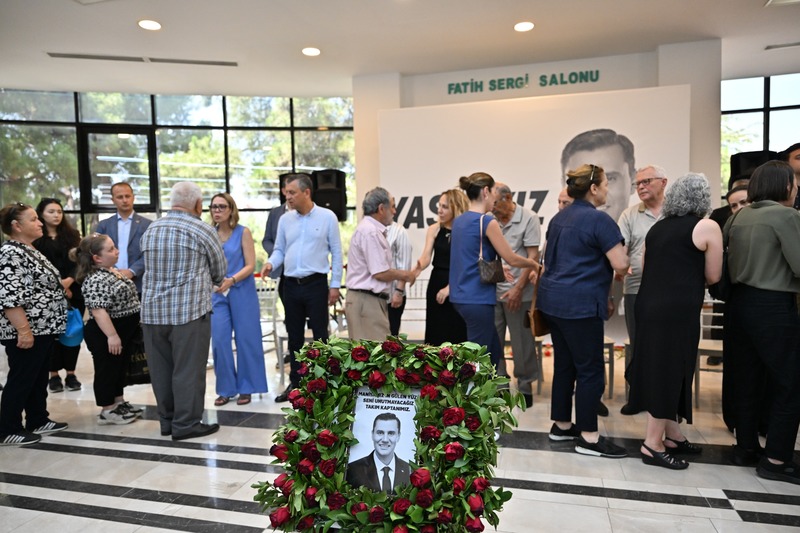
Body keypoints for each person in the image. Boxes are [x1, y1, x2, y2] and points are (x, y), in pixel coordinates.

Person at [625, 174, 722, 469]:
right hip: (677, 311)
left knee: (661, 367)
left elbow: (647, 266)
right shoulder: (706, 226)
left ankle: (673, 435)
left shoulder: (657, 227)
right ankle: (652, 444)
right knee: (670, 371)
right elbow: (713, 276)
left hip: (648, 306)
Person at [537, 164, 630, 458]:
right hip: (580, 305)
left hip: (553, 303)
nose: (607, 190)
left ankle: (562, 426)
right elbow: (620, 264)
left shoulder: (559, 218)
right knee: (590, 370)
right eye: (605, 184)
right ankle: (589, 437)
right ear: (593, 188)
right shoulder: (600, 220)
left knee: (565, 365)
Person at [724, 161, 800, 484]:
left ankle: (745, 448)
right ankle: (776, 459)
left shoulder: (738, 216)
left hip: (739, 305)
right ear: (785, 186)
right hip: (773, 307)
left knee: (747, 379)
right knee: (790, 383)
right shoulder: (786, 216)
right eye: (794, 183)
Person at [140, 182, 227, 441]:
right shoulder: (203, 229)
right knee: (188, 370)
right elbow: (219, 272)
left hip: (152, 314)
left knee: (161, 371)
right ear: (198, 205)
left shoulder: (152, 228)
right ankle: (186, 424)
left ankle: (167, 422)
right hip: (188, 313)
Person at [260, 173, 343, 402]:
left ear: (307, 192)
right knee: (294, 338)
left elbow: (337, 253)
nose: (287, 197)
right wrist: (270, 263)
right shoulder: (285, 220)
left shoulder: (327, 217)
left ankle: (323, 384)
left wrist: (335, 285)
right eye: (286, 193)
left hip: (316, 284)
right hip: (290, 285)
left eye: (292, 192)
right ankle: (296, 384)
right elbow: (279, 250)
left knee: (320, 336)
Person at [449, 172, 537, 369]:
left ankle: (494, 386)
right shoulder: (487, 222)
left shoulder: (459, 221)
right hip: (478, 298)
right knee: (479, 359)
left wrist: (497, 269)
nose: (495, 201)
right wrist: (533, 264)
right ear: (486, 191)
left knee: (493, 350)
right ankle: (474, 389)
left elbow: (468, 259)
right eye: (494, 193)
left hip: (461, 296)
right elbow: (511, 258)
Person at [0, 203, 69, 446]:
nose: (40, 223)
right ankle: (7, 428)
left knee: (37, 378)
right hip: (27, 330)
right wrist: (24, 331)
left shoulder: (29, 249)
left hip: (44, 328)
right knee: (22, 378)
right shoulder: (10, 253)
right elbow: (9, 297)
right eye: (33, 219)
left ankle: (37, 418)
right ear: (16, 226)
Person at [73, 234, 144, 425]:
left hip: (122, 330)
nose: (117, 251)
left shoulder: (110, 271)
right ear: (97, 258)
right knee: (107, 370)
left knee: (119, 368)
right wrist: (112, 336)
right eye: (111, 249)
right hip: (106, 332)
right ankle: (107, 409)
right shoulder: (96, 278)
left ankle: (118, 403)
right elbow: (98, 311)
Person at [616, 165, 668, 414]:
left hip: (669, 291)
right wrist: (621, 265)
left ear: (663, 182)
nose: (641, 187)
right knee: (638, 344)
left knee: (665, 346)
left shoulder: (676, 212)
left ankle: (664, 399)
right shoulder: (629, 214)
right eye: (638, 183)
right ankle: (636, 397)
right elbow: (621, 249)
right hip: (636, 289)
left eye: (647, 181)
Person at [209, 193, 267, 407]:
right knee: (220, 340)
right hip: (217, 294)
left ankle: (247, 387)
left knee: (246, 339)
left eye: (222, 207)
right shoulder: (209, 234)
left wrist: (231, 280)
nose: (217, 210)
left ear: (231, 209)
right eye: (214, 207)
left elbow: (251, 265)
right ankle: (226, 389)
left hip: (242, 291)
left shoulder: (243, 232)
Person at [492, 182, 540, 409]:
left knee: (522, 343)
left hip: (521, 292)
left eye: (496, 204)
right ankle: (500, 383)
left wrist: (518, 289)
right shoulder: (490, 219)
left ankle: (525, 385)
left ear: (508, 198)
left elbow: (533, 258)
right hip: (493, 291)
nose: (492, 208)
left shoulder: (528, 218)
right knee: (495, 341)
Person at [345, 188, 416, 341]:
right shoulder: (370, 232)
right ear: (381, 209)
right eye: (392, 207)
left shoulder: (369, 229)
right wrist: (406, 275)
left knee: (372, 351)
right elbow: (380, 272)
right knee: (375, 351)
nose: (395, 211)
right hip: (366, 301)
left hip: (368, 300)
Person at [33, 198, 84, 393]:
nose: (56, 215)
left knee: (73, 332)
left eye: (59, 211)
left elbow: (80, 262)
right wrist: (58, 287)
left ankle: (71, 374)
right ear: (41, 214)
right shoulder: (36, 238)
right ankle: (53, 375)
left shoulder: (73, 235)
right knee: (52, 336)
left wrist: (69, 281)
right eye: (51, 211)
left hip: (74, 290)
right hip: (47, 294)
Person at [412, 189, 469, 346]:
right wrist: (417, 269)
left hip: (458, 282)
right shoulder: (434, 229)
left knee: (458, 332)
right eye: (439, 206)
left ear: (456, 208)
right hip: (437, 281)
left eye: (445, 207)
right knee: (436, 332)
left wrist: (450, 287)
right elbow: (426, 257)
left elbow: (467, 264)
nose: (439, 210)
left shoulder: (465, 231)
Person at [561, 129, 636, 223]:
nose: (594, 192)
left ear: (633, 181)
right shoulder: (555, 229)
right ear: (564, 186)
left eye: (609, 179)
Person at [94, 182, 152, 295]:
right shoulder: (104, 225)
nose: (125, 200)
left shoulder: (148, 225)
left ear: (133, 197)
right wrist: (113, 271)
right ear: (113, 200)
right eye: (120, 197)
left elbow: (150, 253)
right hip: (109, 283)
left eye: (127, 196)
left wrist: (132, 271)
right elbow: (96, 252)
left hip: (139, 285)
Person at [346, 412, 411, 494]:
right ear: (372, 434)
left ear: (398, 436)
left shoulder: (410, 470)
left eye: (391, 433)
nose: (385, 440)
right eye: (380, 433)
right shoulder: (352, 470)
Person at [262, 179, 290, 305]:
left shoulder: (307, 214)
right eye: (288, 191)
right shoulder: (275, 213)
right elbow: (266, 240)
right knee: (289, 308)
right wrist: (278, 252)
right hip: (281, 270)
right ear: (283, 191)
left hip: (304, 271)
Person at [386, 221, 412, 336]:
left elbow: (404, 266)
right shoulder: (370, 229)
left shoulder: (399, 231)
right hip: (373, 297)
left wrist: (399, 291)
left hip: (392, 295)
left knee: (391, 336)